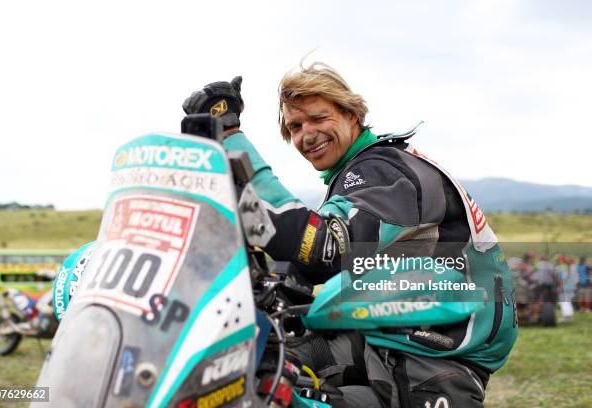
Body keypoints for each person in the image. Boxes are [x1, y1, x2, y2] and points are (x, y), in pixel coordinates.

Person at [182, 62, 518, 407]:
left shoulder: (384, 171)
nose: (307, 134)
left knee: (267, 389)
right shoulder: (363, 175)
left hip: (429, 358)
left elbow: (322, 248)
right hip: (390, 339)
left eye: (318, 118)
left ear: (351, 115)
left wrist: (230, 134)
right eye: (295, 126)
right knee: (255, 362)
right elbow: (305, 271)